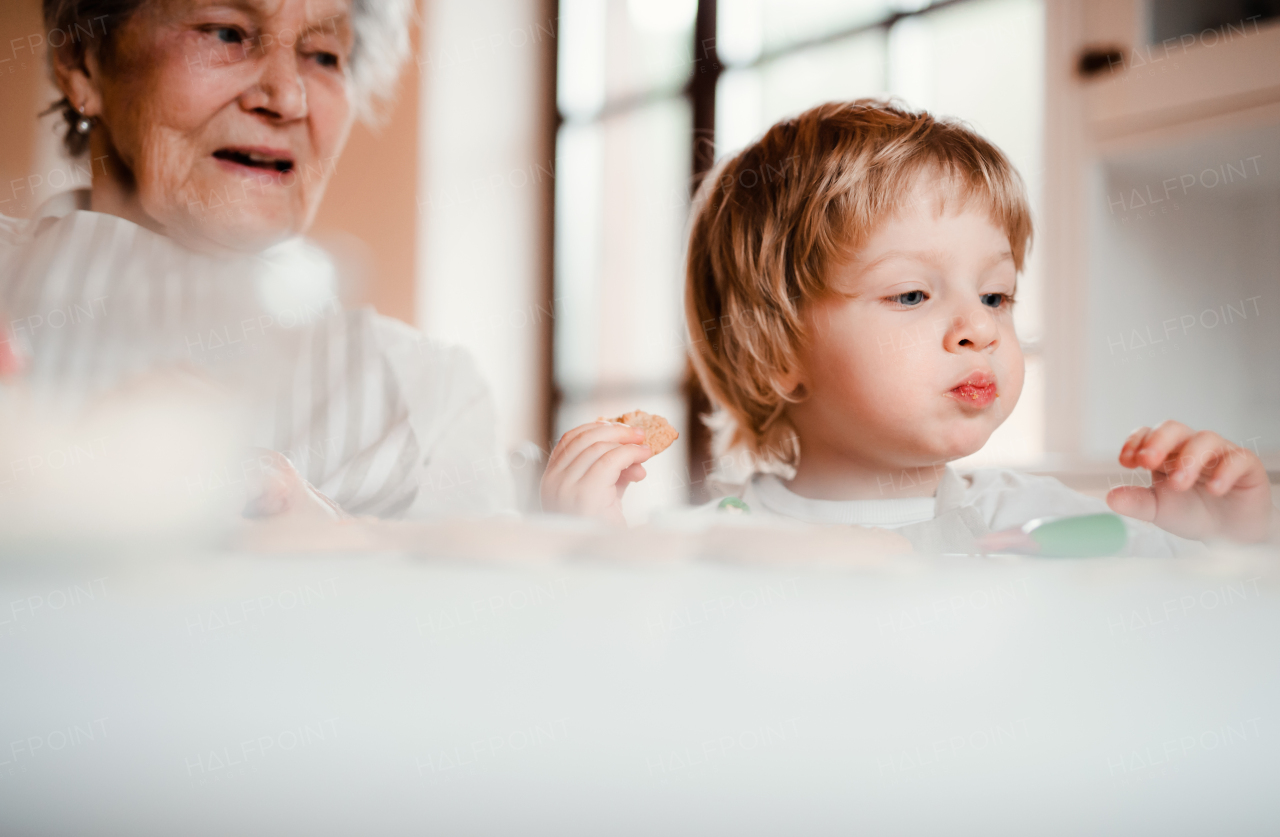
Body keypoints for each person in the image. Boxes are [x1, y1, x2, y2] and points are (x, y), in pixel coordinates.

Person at [540, 100, 1273, 554]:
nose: (977, 330)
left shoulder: (1045, 523)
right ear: (776, 355)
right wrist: (589, 548)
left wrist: (1219, 542)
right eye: (914, 294)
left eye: (996, 296)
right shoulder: (709, 545)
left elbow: (1210, 643)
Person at [1, 0, 513, 522]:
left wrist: (336, 543)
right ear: (82, 61)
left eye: (323, 56)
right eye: (225, 33)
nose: (288, 97)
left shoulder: (428, 398)